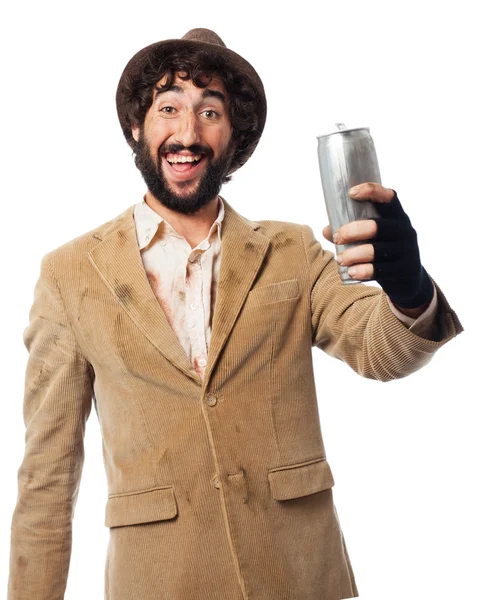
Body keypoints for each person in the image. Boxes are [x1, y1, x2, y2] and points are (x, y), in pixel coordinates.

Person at [7, 28, 463, 600]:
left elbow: (381, 353)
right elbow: (47, 475)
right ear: (136, 127)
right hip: (159, 582)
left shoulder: (292, 251)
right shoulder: (69, 275)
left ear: (235, 137)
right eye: (168, 108)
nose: (188, 133)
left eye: (211, 112)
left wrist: (409, 289)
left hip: (298, 577)